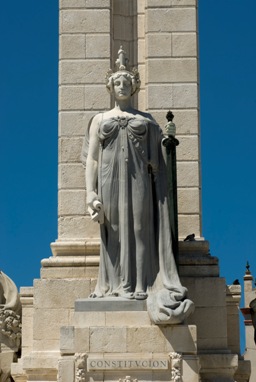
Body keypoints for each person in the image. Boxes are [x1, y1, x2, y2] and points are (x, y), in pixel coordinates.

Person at [82, 47, 194, 324]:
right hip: (108, 180)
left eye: (127, 83)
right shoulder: (99, 119)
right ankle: (115, 286)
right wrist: (90, 193)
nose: (122, 86)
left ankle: (141, 287)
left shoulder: (147, 121)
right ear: (110, 86)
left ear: (134, 87)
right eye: (117, 82)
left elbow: (159, 163)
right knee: (115, 230)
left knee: (141, 228)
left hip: (139, 180)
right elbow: (92, 160)